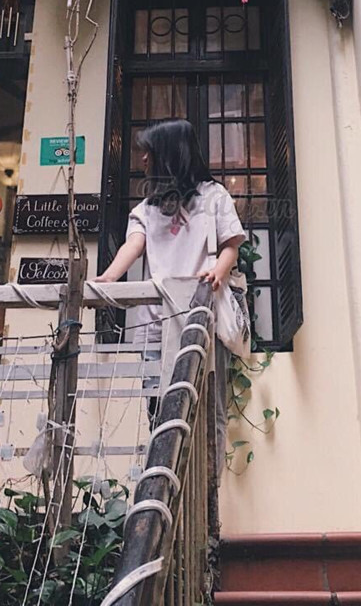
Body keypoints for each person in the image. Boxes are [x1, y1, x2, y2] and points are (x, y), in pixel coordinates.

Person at [93, 118, 246, 475]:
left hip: (201, 319)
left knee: (208, 406)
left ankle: (208, 483)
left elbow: (231, 245)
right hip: (155, 325)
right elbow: (134, 245)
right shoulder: (146, 209)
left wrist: (218, 272)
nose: (143, 159)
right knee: (158, 409)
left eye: (148, 152)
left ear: (169, 153)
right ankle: (166, 477)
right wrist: (109, 278)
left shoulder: (214, 197)